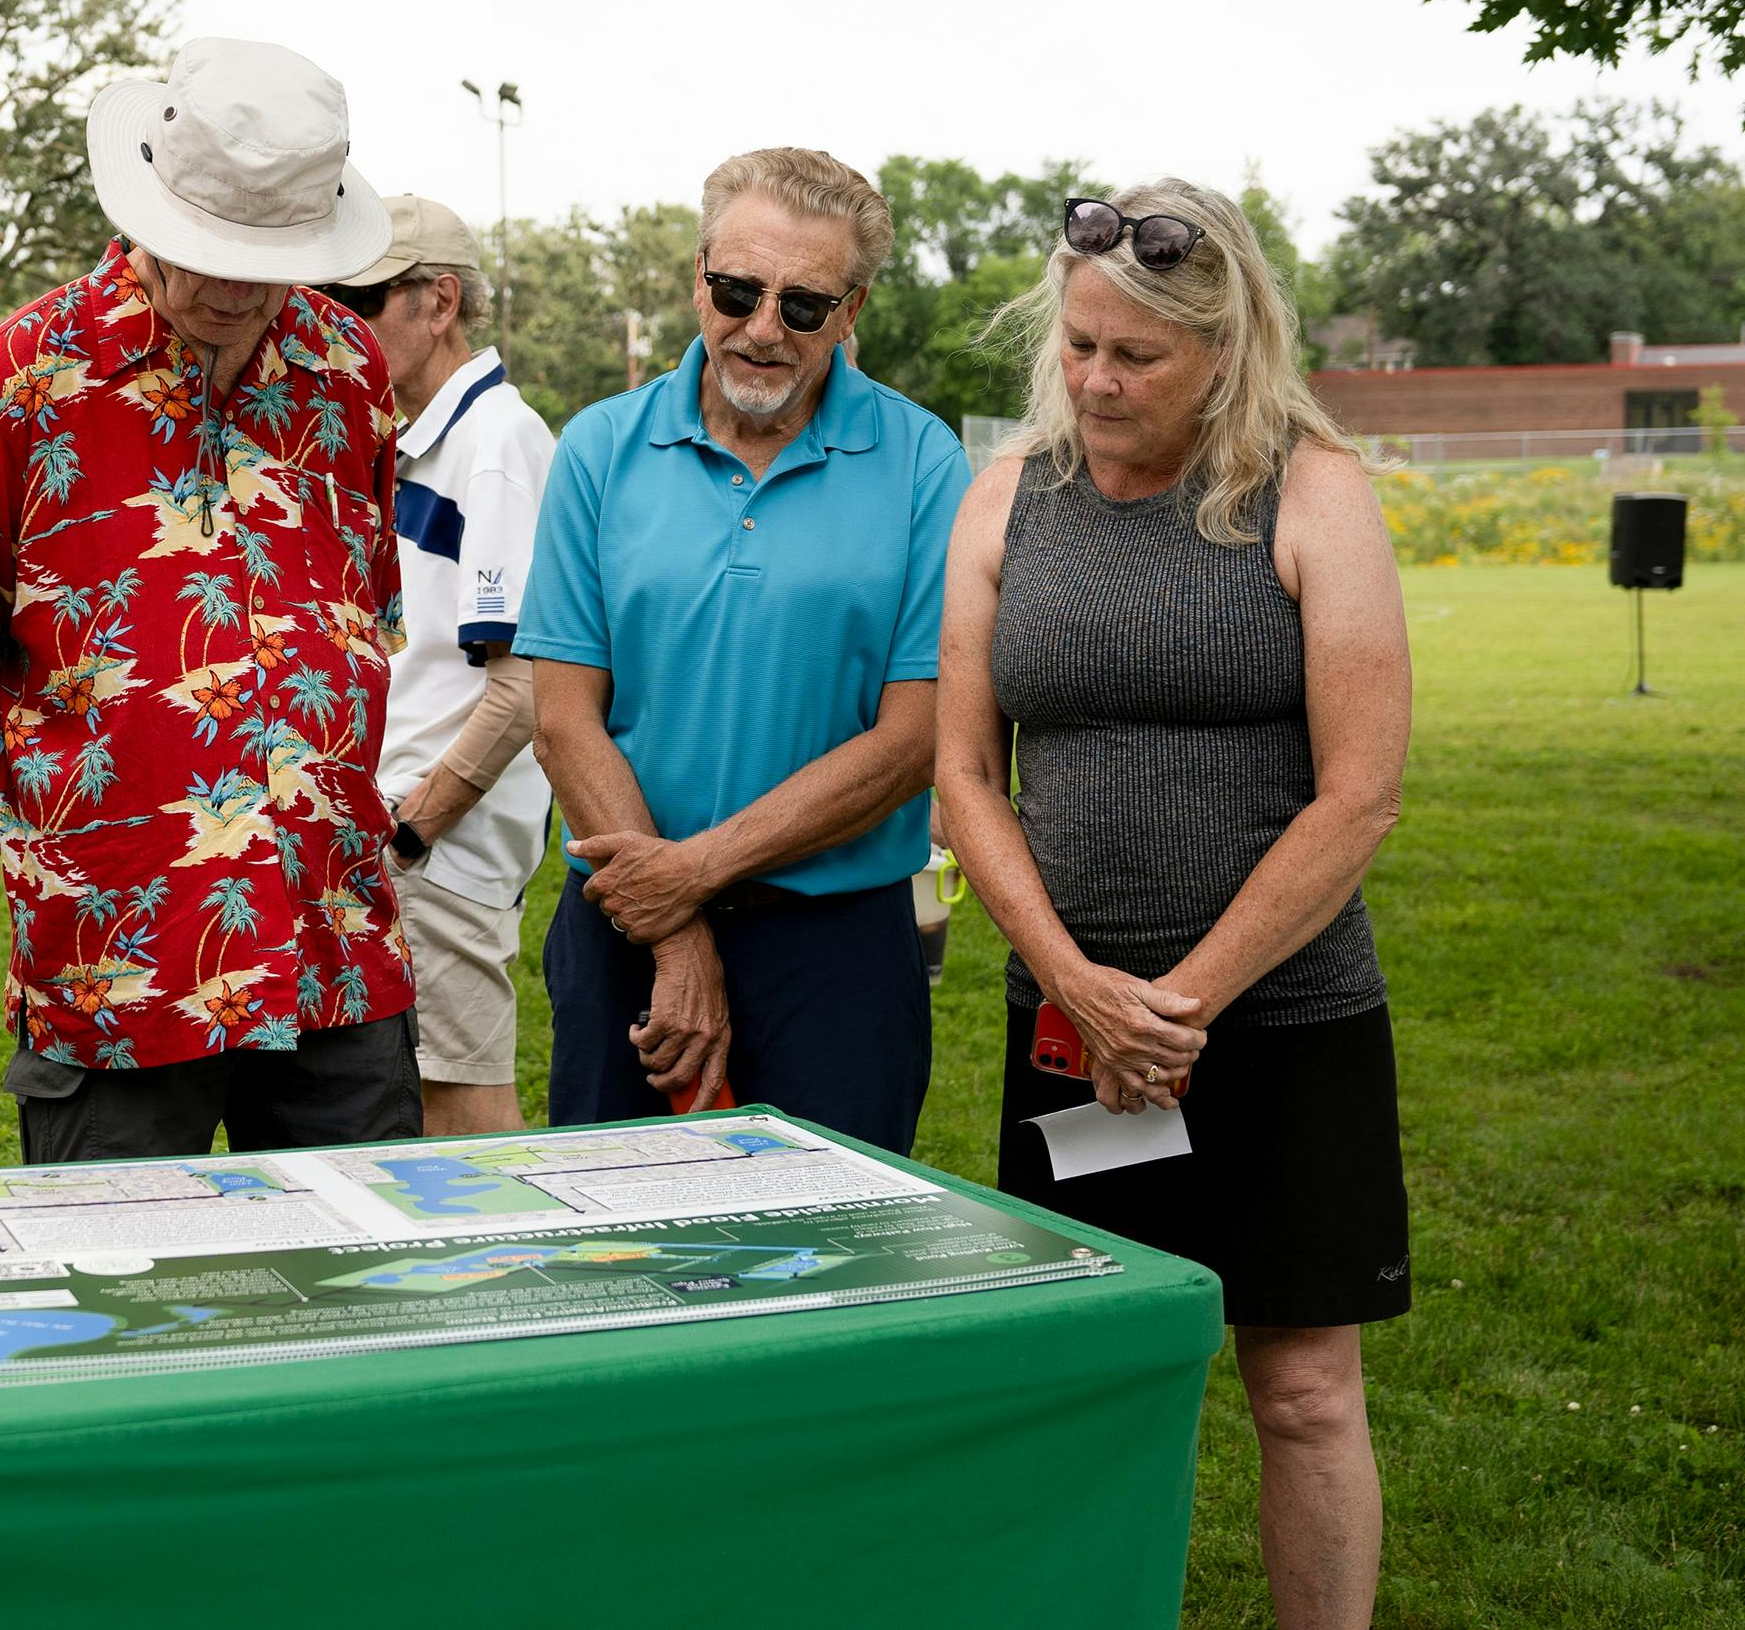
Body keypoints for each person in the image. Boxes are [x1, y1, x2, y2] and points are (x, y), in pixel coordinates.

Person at [936, 182, 1410, 1630]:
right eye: (1078, 345)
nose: (1094, 379)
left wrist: (1181, 1003)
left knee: (1305, 1387)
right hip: (1078, 1031)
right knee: (1085, 1368)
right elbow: (963, 774)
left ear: (1228, 349)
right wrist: (1078, 986)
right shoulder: (1014, 493)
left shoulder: (1314, 493)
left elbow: (1361, 795)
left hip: (1280, 1028)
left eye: (1135, 358)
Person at [0, 36, 418, 1163]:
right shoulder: (26, 373)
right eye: (202, 248)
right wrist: (62, 857)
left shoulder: (353, 371)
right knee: (118, 1315)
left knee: (370, 1312)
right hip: (113, 972)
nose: (228, 285)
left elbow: (364, 617)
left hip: (334, 957)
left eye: (264, 254)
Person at [517, 147, 965, 1151]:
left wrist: (696, 872)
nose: (763, 329)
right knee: (615, 1252)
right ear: (698, 276)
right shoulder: (598, 446)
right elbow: (562, 719)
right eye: (736, 290)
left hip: (836, 944)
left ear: (851, 312)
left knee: (832, 1267)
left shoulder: (925, 462)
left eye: (804, 305)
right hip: (624, 928)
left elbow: (915, 738)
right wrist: (677, 928)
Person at [322, 196, 556, 1134]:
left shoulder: (495, 444)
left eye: (361, 298)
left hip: (435, 853)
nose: (338, 321)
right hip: (402, 843)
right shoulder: (426, 438)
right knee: (400, 1121)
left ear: (439, 302)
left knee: (461, 1124)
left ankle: (514, 1284)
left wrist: (413, 829)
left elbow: (527, 681)